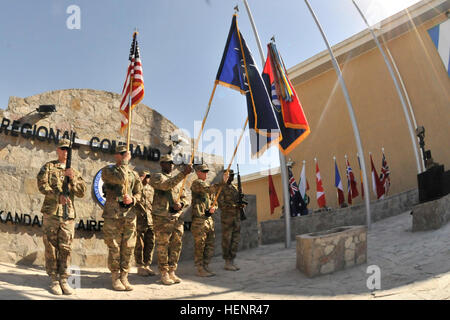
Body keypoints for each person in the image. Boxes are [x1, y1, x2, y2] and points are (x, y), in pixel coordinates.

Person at [36, 138, 86, 295]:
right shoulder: (49, 167)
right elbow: (42, 185)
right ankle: (54, 280)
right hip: (51, 212)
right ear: (57, 150)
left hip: (67, 214)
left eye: (68, 150)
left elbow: (82, 192)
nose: (65, 152)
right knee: (51, 247)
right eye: (63, 149)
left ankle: (64, 279)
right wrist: (57, 195)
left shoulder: (74, 171)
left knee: (66, 247)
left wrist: (73, 179)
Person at [101, 145, 142, 291]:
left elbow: (139, 193)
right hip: (113, 215)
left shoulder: (134, 174)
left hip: (129, 215)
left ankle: (125, 276)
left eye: (126, 153)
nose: (125, 156)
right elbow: (120, 178)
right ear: (116, 155)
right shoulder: (108, 170)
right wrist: (125, 163)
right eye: (122, 154)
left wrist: (133, 199)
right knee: (114, 248)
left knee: (128, 247)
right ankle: (115, 277)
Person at [150, 154, 192, 285]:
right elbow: (165, 186)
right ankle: (163, 272)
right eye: (168, 163)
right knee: (163, 245)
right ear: (162, 164)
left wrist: (181, 204)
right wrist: (183, 174)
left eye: (172, 163)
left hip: (176, 217)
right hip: (162, 218)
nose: (171, 165)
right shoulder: (157, 176)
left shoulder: (179, 181)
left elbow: (186, 198)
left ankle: (172, 270)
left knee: (176, 244)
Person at [216, 169, 246, 271]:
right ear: (225, 177)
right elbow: (221, 204)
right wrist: (235, 206)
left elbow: (239, 201)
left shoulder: (235, 188)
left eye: (233, 176)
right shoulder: (221, 188)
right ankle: (227, 262)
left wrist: (242, 203)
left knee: (235, 240)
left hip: (236, 217)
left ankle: (232, 260)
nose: (231, 177)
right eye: (230, 176)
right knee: (227, 240)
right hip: (227, 218)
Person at [190, 164, 217, 277]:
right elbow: (208, 189)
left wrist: (213, 208)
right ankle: (200, 268)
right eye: (203, 171)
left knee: (209, 244)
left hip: (208, 220)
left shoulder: (208, 187)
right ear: (198, 172)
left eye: (207, 171)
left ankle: (206, 266)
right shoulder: (197, 183)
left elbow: (215, 202)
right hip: (199, 220)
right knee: (200, 245)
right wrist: (222, 183)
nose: (206, 173)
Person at [134, 169, 156, 276]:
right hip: (139, 220)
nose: (147, 178)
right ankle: (140, 266)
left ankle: (147, 265)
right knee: (139, 245)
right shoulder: (135, 188)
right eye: (145, 176)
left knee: (150, 243)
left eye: (148, 176)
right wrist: (138, 181)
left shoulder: (151, 189)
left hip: (150, 220)